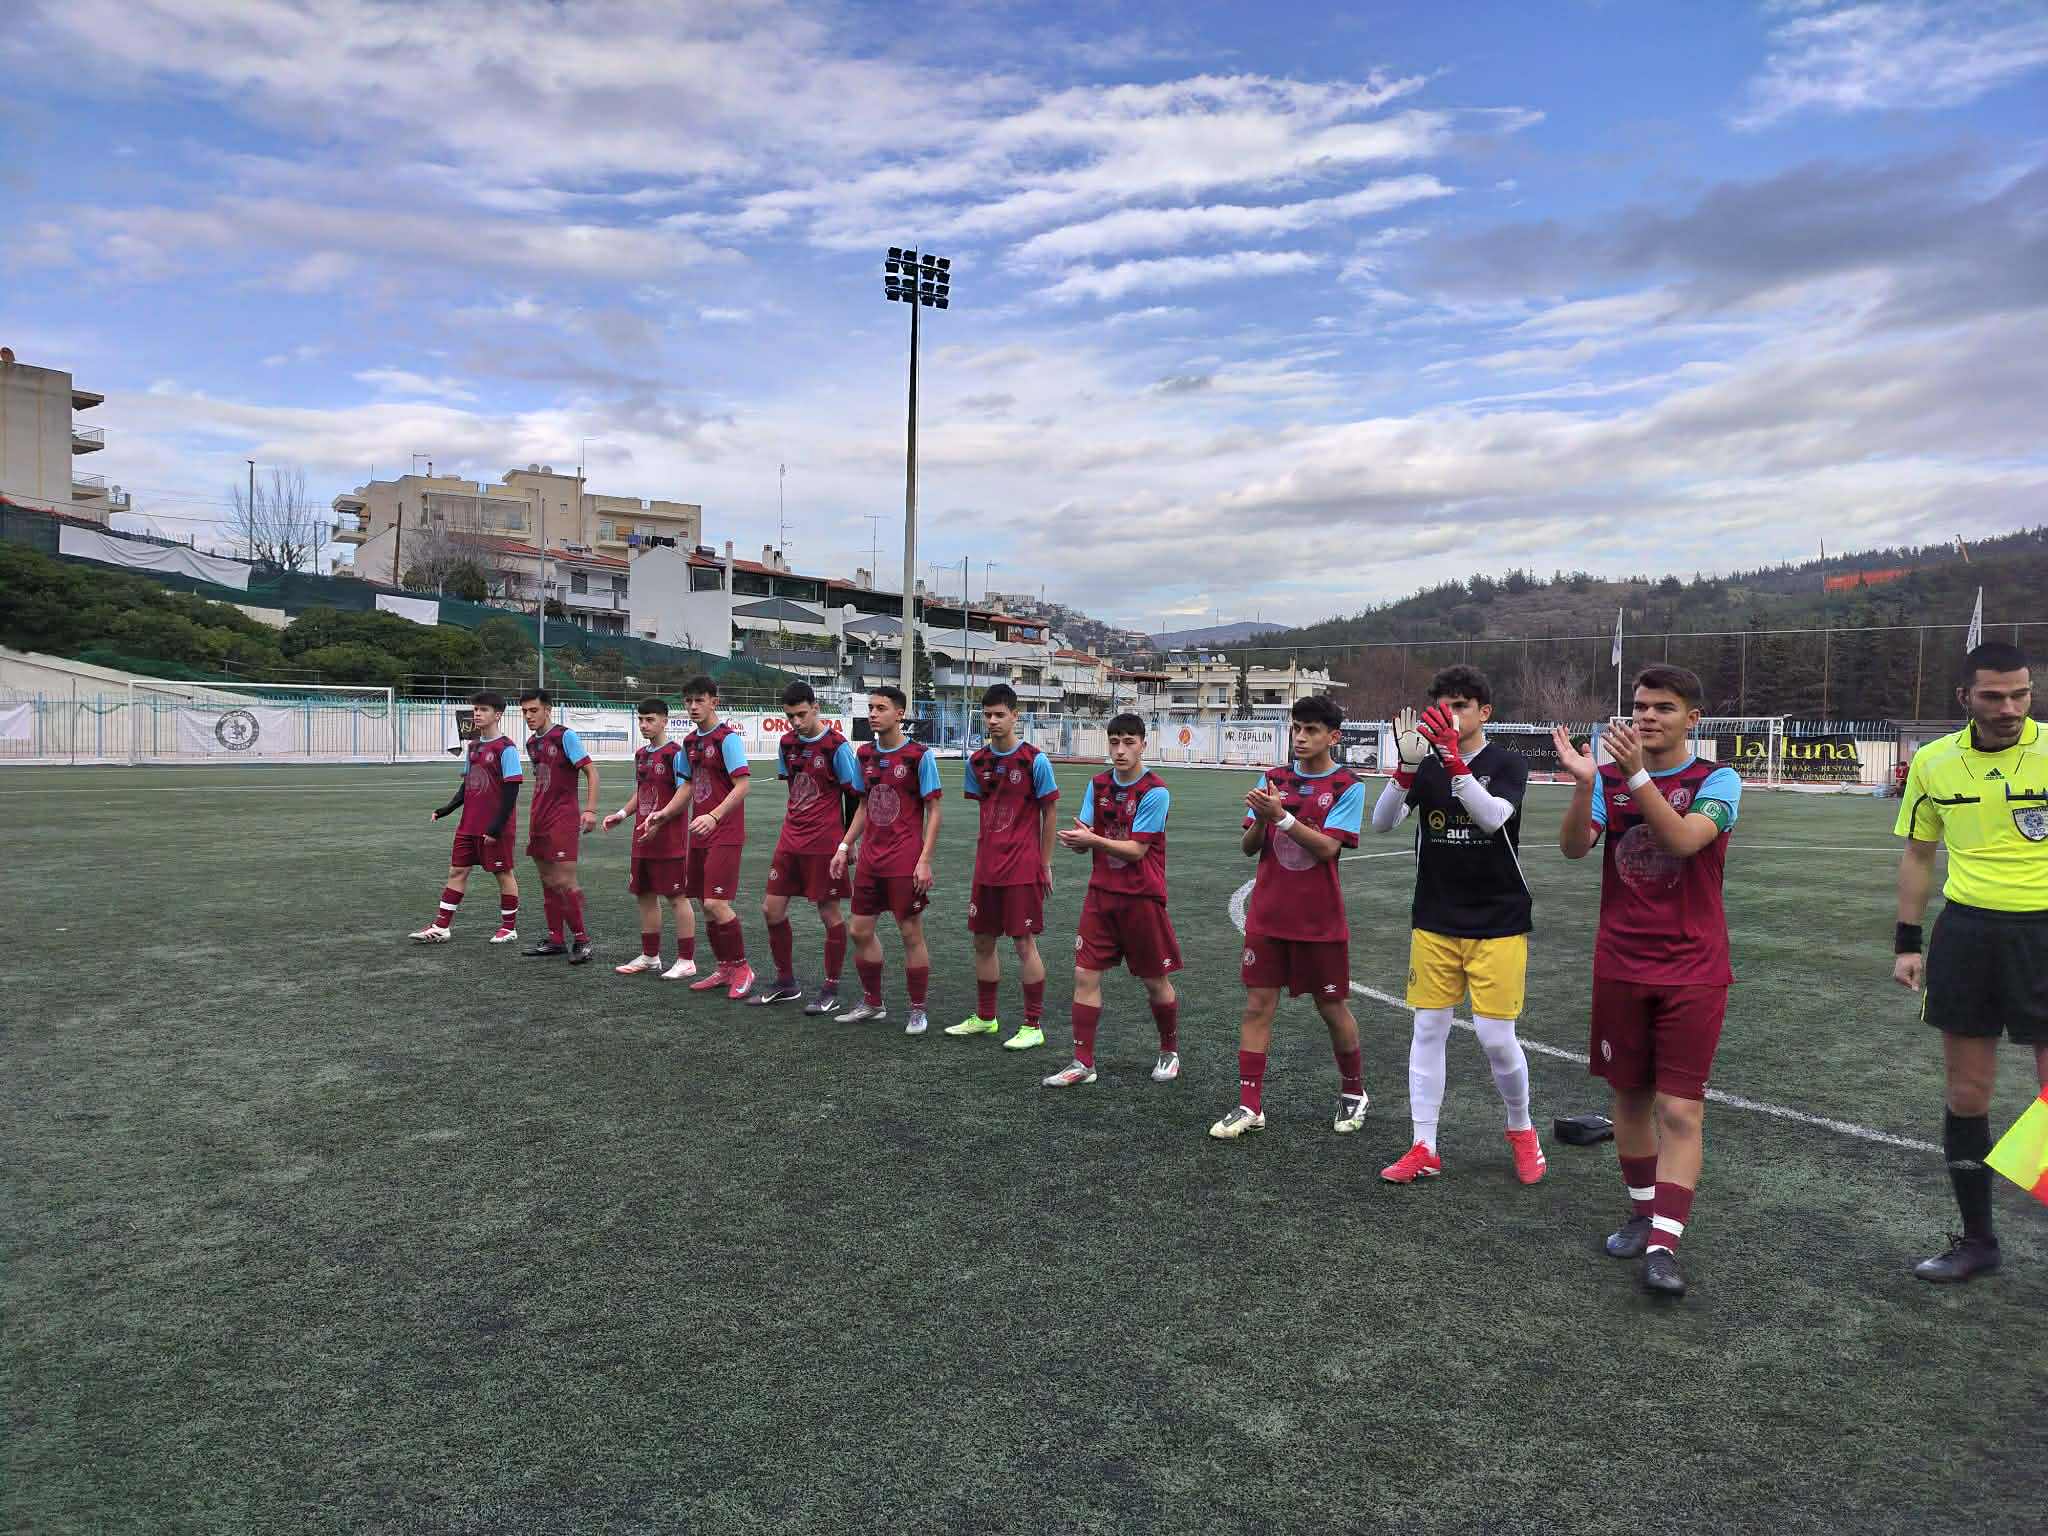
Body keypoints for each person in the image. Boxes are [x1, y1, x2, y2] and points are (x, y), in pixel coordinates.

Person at [1553, 665, 1741, 1300]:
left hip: (1693, 969)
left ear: (1692, 718)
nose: (1647, 717)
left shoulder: (1716, 779)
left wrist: (1634, 776)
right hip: (1621, 964)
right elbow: (1574, 848)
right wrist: (1586, 785)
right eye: (1639, 706)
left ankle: (1664, 1244)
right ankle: (1642, 1213)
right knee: (1630, 1098)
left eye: (1663, 707)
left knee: (1680, 1108)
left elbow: (1685, 841)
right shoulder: (1607, 779)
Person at [1892, 641, 2048, 1283]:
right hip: (1968, 935)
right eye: (1994, 696)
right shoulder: (1933, 762)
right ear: (1964, 697)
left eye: (2021, 694)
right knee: (1966, 1094)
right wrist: (1907, 942)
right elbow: (1919, 853)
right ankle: (1979, 1242)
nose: (2009, 708)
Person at [1371, 666, 1546, 1185]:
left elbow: (1492, 818)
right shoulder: (1426, 766)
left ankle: (1522, 1129)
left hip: (1498, 918)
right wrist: (1406, 768)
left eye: (1461, 705)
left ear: (1484, 712)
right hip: (1436, 917)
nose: (1450, 714)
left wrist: (1451, 760)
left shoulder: (1507, 762)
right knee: (1428, 1029)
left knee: (1496, 1038)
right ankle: (1424, 1144)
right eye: (1444, 705)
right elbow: (1382, 822)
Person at [1213, 694, 1370, 1140]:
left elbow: (1328, 849)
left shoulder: (1348, 785)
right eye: (1296, 728)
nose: (1300, 737)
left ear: (1333, 737)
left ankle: (1354, 1091)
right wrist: (1263, 820)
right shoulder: (1273, 779)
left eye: (1311, 730)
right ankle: (1250, 1105)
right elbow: (1248, 848)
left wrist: (1280, 817)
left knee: (1332, 1007)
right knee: (1257, 1006)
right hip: (1267, 917)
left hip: (1319, 921)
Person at [1044, 713, 1183, 1087]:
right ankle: (1082, 1063)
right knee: (1084, 974)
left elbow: (1137, 850)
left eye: (1128, 742)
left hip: (1141, 899)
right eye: (1114, 742)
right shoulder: (1098, 784)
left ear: (1143, 744)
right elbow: (1089, 832)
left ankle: (1169, 1052)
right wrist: (1079, 840)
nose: (1120, 750)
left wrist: (1093, 840)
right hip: (1101, 896)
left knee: (1154, 980)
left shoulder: (1155, 791)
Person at [944, 684, 1060, 1050]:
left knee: (1024, 943)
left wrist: (1045, 863)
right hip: (987, 867)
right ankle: (985, 1017)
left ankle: (1033, 1025)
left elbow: (1050, 813)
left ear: (1015, 716)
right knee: (982, 941)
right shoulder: (976, 762)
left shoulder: (1034, 761)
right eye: (987, 715)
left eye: (1000, 715)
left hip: (1022, 867)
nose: (993, 721)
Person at [829, 686, 942, 1033]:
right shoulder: (864, 754)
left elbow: (934, 811)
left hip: (903, 860)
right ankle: (873, 1003)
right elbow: (864, 806)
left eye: (881, 708)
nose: (873, 714)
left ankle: (918, 1009)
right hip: (870, 860)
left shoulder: (919, 756)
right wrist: (844, 846)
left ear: (900, 714)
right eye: (871, 708)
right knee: (859, 930)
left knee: (910, 933)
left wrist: (924, 859)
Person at [750, 682, 863, 1014]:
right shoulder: (786, 744)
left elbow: (853, 797)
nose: (796, 722)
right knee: (771, 910)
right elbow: (795, 789)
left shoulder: (836, 747)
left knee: (828, 913)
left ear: (816, 708)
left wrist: (847, 843)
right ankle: (786, 982)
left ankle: (831, 988)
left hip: (824, 842)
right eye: (790, 716)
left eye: (801, 714)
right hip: (790, 840)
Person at [411, 691, 522, 944]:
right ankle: (441, 926)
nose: (477, 714)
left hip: (495, 827)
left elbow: (512, 790)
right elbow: (467, 785)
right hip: (468, 825)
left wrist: (496, 827)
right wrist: (447, 808)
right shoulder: (473, 747)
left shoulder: (507, 748)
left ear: (498, 715)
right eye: (475, 710)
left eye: (483, 710)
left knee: (503, 873)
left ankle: (509, 928)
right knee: (457, 871)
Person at [604, 697, 696, 980]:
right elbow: (641, 791)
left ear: (664, 721)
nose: (644, 725)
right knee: (644, 894)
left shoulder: (675, 754)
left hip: (669, 839)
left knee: (676, 897)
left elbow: (685, 793)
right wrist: (622, 814)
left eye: (650, 720)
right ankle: (650, 956)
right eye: (641, 720)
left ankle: (686, 960)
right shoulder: (641, 755)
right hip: (642, 838)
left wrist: (661, 820)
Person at [678, 674, 756, 1000]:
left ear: (714, 702)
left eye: (700, 700)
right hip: (700, 833)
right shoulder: (689, 742)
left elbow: (743, 785)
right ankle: (724, 968)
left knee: (716, 903)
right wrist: (662, 816)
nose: (693, 706)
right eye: (688, 701)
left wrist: (713, 816)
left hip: (725, 831)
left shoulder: (727, 739)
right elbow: (687, 786)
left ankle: (742, 968)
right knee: (705, 905)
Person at [516, 689, 601, 965]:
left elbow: (591, 772)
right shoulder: (532, 743)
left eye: (534, 710)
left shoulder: (565, 736)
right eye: (525, 711)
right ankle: (555, 939)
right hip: (538, 819)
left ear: (547, 709)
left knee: (564, 881)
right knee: (547, 881)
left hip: (562, 819)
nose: (529, 716)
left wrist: (590, 810)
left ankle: (582, 940)